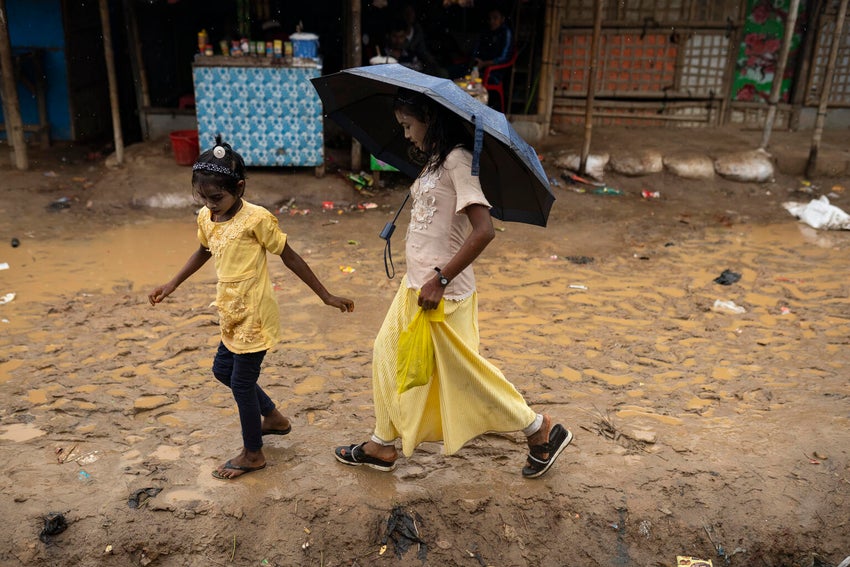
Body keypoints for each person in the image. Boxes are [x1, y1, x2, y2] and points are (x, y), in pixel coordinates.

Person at [333, 90, 573, 479]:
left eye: (409, 126)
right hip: (415, 287)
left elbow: (484, 231)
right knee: (385, 353)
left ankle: (538, 428)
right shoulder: (435, 162)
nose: (406, 135)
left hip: (440, 293)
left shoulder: (459, 161)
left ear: (430, 119)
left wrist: (441, 279)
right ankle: (382, 442)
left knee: (463, 375)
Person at [149, 137, 354, 480]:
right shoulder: (206, 217)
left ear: (239, 187)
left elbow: (289, 256)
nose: (210, 205)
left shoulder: (257, 219)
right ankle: (273, 418)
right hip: (230, 310)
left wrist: (326, 295)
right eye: (202, 197)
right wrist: (172, 284)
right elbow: (204, 250)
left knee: (242, 383)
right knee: (221, 371)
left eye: (217, 198)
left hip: (255, 314)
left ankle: (253, 453)